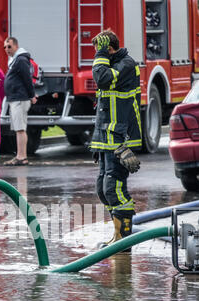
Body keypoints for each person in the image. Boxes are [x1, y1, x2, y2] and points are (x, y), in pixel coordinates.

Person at [90, 29, 142, 249]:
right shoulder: (113, 65)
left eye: (99, 50)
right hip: (105, 138)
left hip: (121, 139)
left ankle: (124, 241)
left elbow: (102, 79)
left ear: (108, 48)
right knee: (103, 188)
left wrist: (100, 54)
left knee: (114, 188)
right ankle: (117, 236)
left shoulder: (127, 65)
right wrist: (95, 143)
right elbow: (104, 108)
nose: (97, 55)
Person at [3, 36, 37, 166]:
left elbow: (27, 78)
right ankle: (19, 155)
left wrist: (31, 95)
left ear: (16, 46)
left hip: (20, 98)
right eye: (5, 47)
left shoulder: (21, 59)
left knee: (20, 128)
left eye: (9, 46)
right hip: (15, 98)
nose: (7, 49)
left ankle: (22, 157)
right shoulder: (15, 60)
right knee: (18, 128)